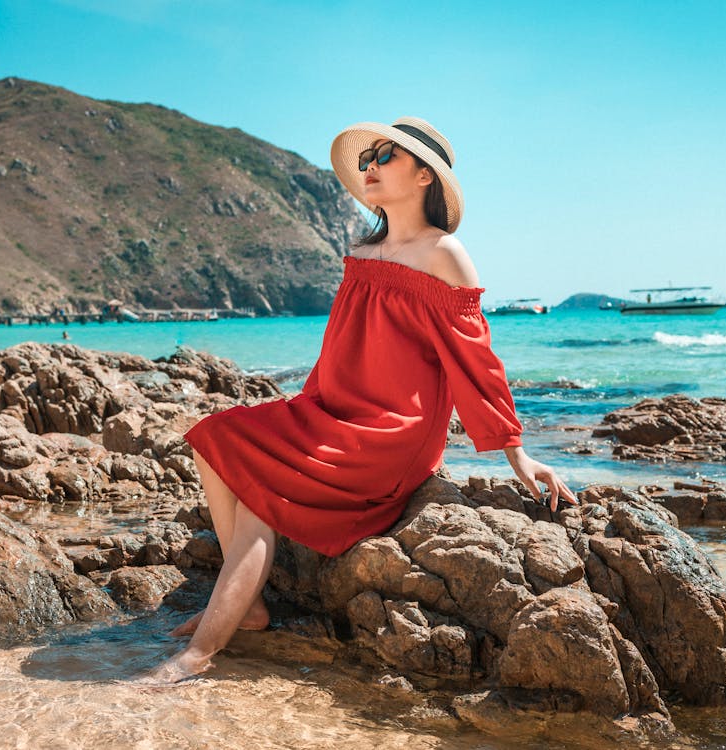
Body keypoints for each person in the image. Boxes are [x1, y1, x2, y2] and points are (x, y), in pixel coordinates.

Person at [143, 117, 578, 684]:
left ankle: (197, 655)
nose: (369, 167)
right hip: (332, 411)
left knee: (258, 496)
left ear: (425, 176)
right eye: (366, 158)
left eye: (385, 157)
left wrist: (516, 452)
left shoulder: (444, 254)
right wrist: (302, 416)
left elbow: (476, 361)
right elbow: (341, 344)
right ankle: (242, 604)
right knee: (214, 438)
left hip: (391, 435)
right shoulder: (362, 249)